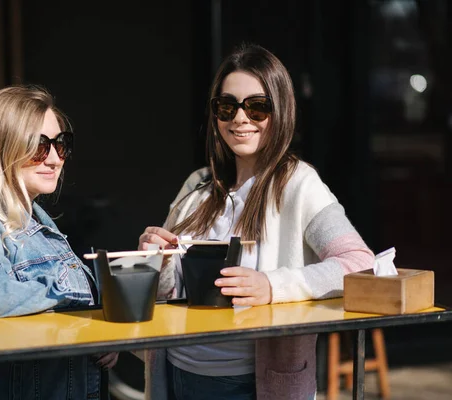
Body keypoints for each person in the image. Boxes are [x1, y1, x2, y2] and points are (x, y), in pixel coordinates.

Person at [138, 43, 375, 400]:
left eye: (257, 107)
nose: (239, 118)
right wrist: (156, 261)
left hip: (250, 384)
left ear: (280, 112)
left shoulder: (297, 183)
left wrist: (273, 286)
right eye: (227, 106)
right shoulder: (197, 185)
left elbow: (360, 263)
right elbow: (165, 292)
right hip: (175, 374)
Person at [0, 85, 118, 399]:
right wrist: (68, 292)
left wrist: (99, 339)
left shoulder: (39, 224)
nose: (55, 158)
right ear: (3, 148)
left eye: (61, 144)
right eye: (39, 146)